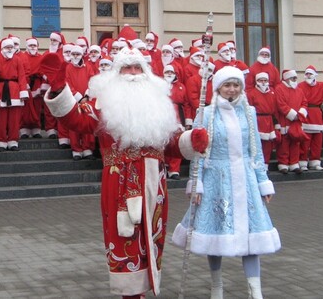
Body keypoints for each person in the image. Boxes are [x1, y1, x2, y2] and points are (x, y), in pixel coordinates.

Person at [43, 47, 204, 298]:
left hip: (154, 184)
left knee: (151, 238)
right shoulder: (103, 104)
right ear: (116, 73)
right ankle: (130, 294)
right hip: (119, 183)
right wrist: (58, 90)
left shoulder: (159, 105)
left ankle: (143, 289)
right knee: (123, 240)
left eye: (137, 67)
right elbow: (76, 120)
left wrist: (192, 140)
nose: (133, 73)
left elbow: (171, 142)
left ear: (146, 72)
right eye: (126, 68)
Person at [172, 66, 281, 299]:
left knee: (253, 235)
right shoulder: (207, 114)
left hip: (246, 179)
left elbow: (256, 151)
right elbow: (198, 151)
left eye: (236, 85)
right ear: (218, 87)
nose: (232, 90)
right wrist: (196, 183)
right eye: (227, 85)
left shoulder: (249, 113)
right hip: (217, 179)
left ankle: (255, 290)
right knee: (216, 234)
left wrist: (263, 182)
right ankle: (217, 286)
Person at [297, 65, 323, 171]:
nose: (308, 75)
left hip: (317, 116)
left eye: (310, 73)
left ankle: (315, 162)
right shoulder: (300, 86)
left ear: (315, 75)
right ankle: (302, 162)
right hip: (305, 114)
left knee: (317, 142)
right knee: (304, 142)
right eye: (306, 73)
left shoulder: (322, 86)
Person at [274, 69, 308, 174]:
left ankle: (294, 163)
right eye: (293, 78)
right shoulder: (279, 89)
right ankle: (283, 164)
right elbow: (280, 104)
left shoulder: (299, 90)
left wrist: (300, 114)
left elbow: (304, 102)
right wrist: (293, 115)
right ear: (287, 78)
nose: (295, 80)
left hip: (296, 121)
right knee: (284, 143)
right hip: (285, 120)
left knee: (295, 143)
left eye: (295, 78)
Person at [246, 73, 280, 169]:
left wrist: (276, 124)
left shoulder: (272, 93)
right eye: (261, 80)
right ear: (257, 81)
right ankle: (257, 163)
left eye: (265, 80)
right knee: (256, 143)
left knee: (268, 144)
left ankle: (265, 163)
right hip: (257, 120)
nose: (263, 83)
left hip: (269, 120)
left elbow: (275, 109)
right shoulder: (251, 93)